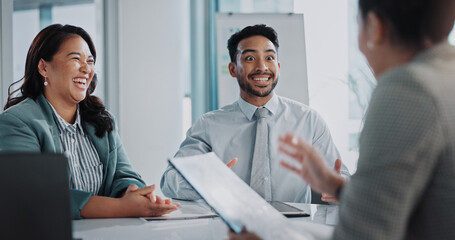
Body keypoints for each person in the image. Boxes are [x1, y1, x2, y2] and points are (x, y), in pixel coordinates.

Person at [231, 0, 455, 239]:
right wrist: (335, 186)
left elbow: (364, 234)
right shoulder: (446, 76)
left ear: (374, 27)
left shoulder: (407, 90)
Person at [0, 24, 179, 219]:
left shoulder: (103, 120)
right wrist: (123, 207)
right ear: (44, 67)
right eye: (76, 59)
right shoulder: (17, 122)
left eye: (90, 61)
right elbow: (32, 194)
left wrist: (132, 193)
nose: (87, 68)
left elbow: (124, 175)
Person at [161, 24, 349, 204]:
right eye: (250, 58)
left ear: (278, 66)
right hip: (229, 231)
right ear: (233, 69)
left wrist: (338, 190)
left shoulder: (309, 121)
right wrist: (207, 181)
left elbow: (342, 179)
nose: (262, 67)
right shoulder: (209, 125)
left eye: (269, 58)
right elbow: (170, 180)